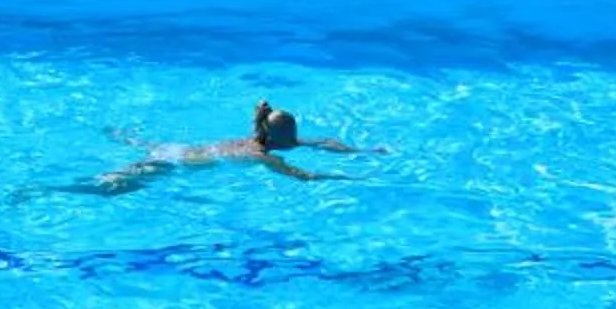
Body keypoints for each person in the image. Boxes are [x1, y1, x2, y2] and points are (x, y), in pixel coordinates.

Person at [24, 101, 382, 198]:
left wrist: (362, 151)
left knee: (116, 182)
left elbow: (321, 143)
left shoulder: (259, 138)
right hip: (171, 164)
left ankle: (124, 137)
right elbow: (304, 176)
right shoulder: (263, 155)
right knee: (107, 191)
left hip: (177, 151)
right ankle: (47, 189)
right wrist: (351, 176)